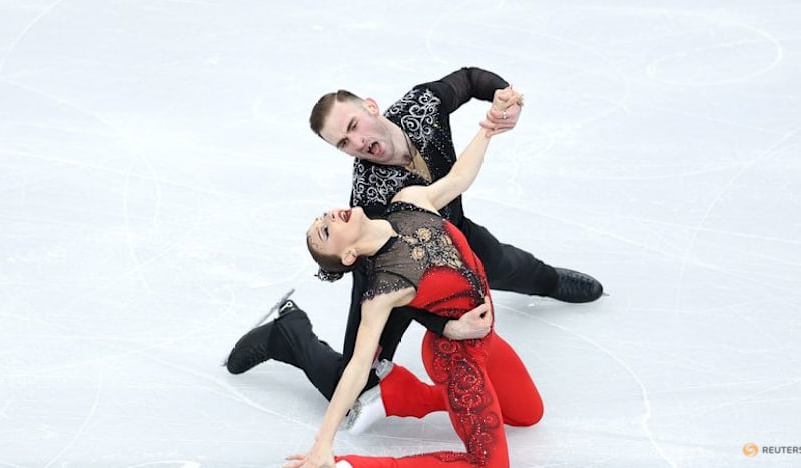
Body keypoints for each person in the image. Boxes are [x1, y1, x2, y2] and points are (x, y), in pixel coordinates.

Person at [226, 67, 602, 426]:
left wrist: (504, 96)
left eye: (354, 126)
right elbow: (407, 285)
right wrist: (444, 325)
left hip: (454, 234)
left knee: (506, 263)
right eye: (344, 143)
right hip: (391, 274)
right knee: (353, 386)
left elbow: (469, 79)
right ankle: (288, 333)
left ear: (371, 107)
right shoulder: (371, 197)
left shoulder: (421, 106)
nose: (357, 143)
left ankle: (550, 282)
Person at [287, 98, 537, 467]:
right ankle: (351, 466)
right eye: (325, 231)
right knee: (488, 463)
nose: (327, 217)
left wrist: (488, 128)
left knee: (529, 415)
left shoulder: (409, 201)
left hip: (487, 339)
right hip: (456, 356)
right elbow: (357, 367)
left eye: (321, 216)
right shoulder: (382, 288)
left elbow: (458, 179)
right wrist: (323, 444)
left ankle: (399, 394)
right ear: (348, 256)